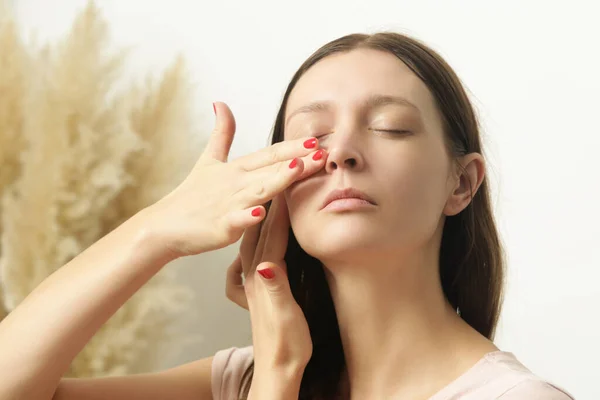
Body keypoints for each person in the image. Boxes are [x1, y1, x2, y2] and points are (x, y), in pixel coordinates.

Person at [0, 32, 574, 400]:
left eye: (391, 127)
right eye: (311, 136)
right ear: (279, 185)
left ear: (463, 182)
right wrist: (159, 230)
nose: (343, 151)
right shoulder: (244, 379)